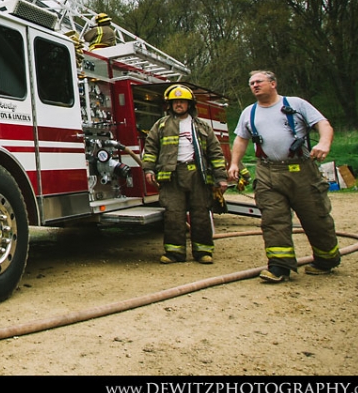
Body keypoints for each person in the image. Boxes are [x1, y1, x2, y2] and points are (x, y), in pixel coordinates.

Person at [228, 70, 340, 283]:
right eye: (251, 83)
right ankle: (279, 266)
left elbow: (323, 124)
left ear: (273, 83)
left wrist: (324, 142)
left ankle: (326, 259)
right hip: (267, 172)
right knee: (273, 219)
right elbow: (241, 140)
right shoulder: (248, 113)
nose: (254, 85)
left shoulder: (296, 104)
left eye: (259, 81)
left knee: (316, 217)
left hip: (301, 170)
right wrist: (234, 164)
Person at [142, 84, 228, 264]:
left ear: (190, 104)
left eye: (182, 101)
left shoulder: (202, 126)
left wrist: (220, 177)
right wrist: (148, 169)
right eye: (175, 102)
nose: (179, 104)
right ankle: (174, 253)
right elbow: (150, 149)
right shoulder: (161, 125)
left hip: (198, 175)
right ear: (170, 105)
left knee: (201, 213)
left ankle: (203, 252)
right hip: (171, 175)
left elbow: (215, 152)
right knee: (173, 214)